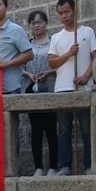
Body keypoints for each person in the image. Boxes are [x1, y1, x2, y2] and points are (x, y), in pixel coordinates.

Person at [49, 0, 96, 176]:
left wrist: (86, 76)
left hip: (84, 87)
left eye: (67, 11)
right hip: (62, 88)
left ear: (74, 10)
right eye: (61, 13)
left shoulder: (87, 31)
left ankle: (89, 165)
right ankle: (65, 166)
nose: (64, 16)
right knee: (64, 130)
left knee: (87, 129)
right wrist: (69, 53)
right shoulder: (56, 37)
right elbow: (52, 63)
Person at [22, 10, 59, 177]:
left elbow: (60, 64)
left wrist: (48, 73)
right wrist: (28, 75)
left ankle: (53, 167)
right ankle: (38, 167)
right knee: (35, 130)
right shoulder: (26, 44)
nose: (36, 25)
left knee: (51, 129)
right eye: (33, 23)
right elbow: (20, 66)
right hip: (32, 88)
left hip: (50, 88)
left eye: (39, 22)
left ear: (46, 23)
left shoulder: (53, 43)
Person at [0, 0, 34, 94]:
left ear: (6, 7)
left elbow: (29, 55)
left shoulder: (16, 30)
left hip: (11, 87)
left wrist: (7, 63)